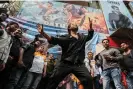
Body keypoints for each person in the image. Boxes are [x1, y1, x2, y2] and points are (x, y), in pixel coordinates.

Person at [37, 17, 94, 89]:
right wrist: (43, 33)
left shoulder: (82, 37)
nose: (74, 24)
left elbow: (90, 36)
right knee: (54, 79)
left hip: (79, 65)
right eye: (72, 24)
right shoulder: (65, 38)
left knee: (88, 79)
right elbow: (53, 39)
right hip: (65, 64)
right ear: (69, 28)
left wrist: (91, 27)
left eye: (75, 24)